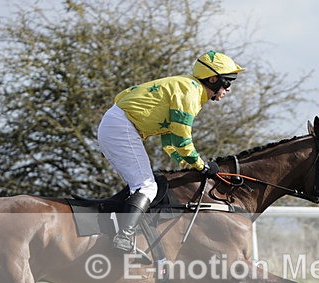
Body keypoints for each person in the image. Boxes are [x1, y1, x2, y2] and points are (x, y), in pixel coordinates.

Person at [97, 50, 245, 252]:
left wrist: (186, 164)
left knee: (143, 184)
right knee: (146, 187)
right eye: (227, 83)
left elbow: (169, 140)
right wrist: (201, 165)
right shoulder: (190, 93)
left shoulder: (189, 88)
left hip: (117, 124)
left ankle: (126, 230)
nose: (228, 89)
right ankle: (123, 237)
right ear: (212, 79)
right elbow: (182, 139)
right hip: (121, 127)